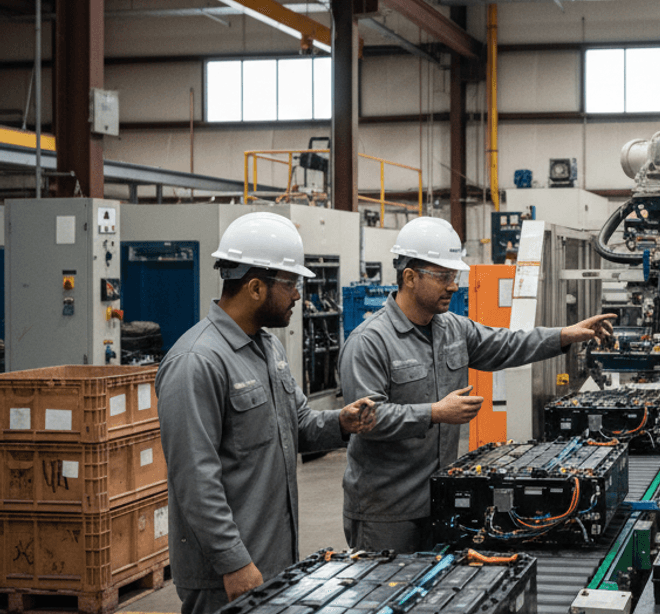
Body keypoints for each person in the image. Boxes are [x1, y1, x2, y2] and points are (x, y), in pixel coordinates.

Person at [339, 216, 616, 552]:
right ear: (410, 277)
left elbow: (508, 344)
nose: (453, 285)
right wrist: (436, 412)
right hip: (386, 511)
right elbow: (365, 421)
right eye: (443, 276)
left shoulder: (452, 329)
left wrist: (564, 335)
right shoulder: (369, 341)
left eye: (454, 276)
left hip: (441, 499)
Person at [156, 212, 379, 614]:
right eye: (291, 284)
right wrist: (233, 560)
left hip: (273, 560)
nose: (298, 296)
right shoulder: (196, 362)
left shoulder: (268, 349)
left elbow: (300, 426)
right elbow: (194, 478)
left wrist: (342, 422)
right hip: (223, 577)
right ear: (256, 287)